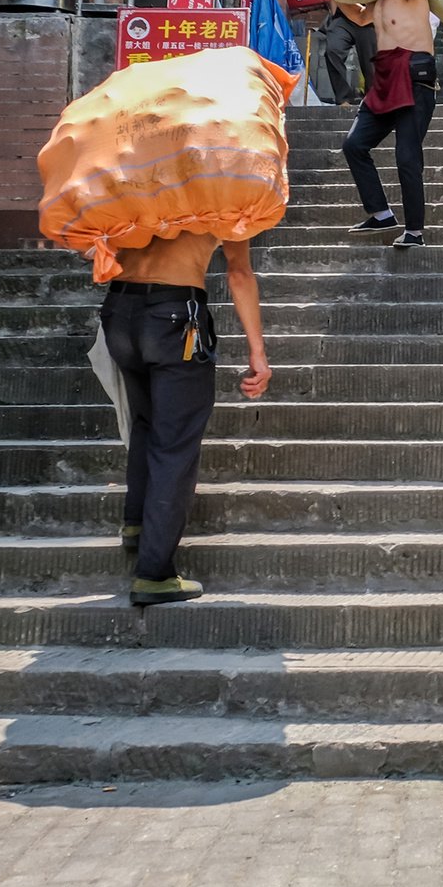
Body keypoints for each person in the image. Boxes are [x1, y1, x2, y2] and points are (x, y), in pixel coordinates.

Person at [103, 231, 271, 606]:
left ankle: (138, 525)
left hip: (119, 310)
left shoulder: (139, 178)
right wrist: (257, 352)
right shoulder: (218, 193)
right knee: (175, 443)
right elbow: (239, 273)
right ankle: (154, 574)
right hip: (176, 314)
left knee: (145, 422)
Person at [338, 0, 438, 248]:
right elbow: (359, 16)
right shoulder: (379, 3)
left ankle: (415, 231)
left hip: (414, 75)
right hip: (383, 80)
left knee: (407, 155)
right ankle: (381, 213)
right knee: (354, 145)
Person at [320, 2, 375, 108]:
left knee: (371, 62)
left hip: (369, 17)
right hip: (345, 16)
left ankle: (372, 99)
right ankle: (343, 98)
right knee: (333, 49)